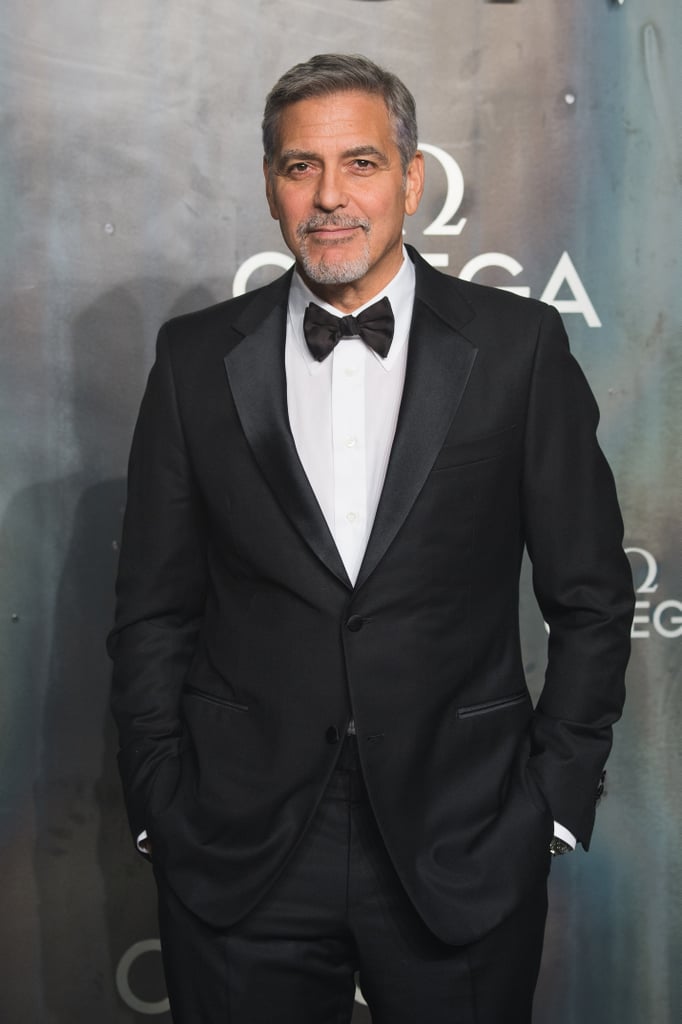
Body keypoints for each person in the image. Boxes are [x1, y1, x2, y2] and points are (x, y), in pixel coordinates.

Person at [108, 53, 634, 1024]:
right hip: (238, 846)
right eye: (300, 167)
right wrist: (159, 805)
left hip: (463, 834)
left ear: (411, 179)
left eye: (359, 163)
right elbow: (153, 608)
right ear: (270, 186)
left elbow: (593, 597)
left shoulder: (517, 348)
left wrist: (551, 803)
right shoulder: (194, 359)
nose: (329, 196)